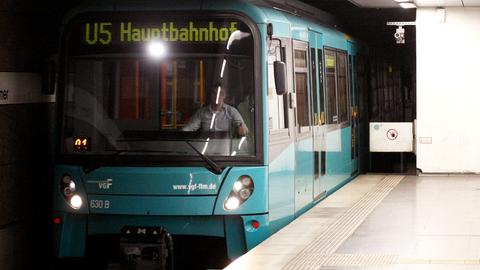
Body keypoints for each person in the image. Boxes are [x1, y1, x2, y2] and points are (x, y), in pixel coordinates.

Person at [182, 87, 248, 136]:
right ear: (210, 95)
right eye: (214, 93)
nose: (217, 96)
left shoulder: (232, 111)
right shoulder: (201, 112)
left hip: (226, 150)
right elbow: (189, 128)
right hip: (204, 150)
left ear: (224, 96)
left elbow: (244, 129)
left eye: (220, 93)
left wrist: (241, 130)